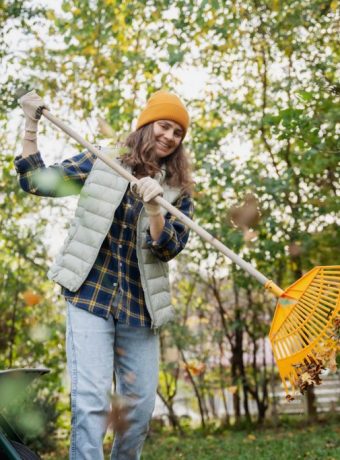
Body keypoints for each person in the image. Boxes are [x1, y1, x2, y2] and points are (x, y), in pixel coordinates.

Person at [15, 90, 194, 460]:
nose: (169, 136)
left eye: (178, 133)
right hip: (90, 296)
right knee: (91, 404)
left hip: (140, 308)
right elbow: (36, 182)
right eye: (164, 126)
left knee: (138, 411)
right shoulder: (102, 160)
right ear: (147, 125)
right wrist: (31, 122)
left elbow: (168, 248)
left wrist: (155, 208)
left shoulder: (177, 191)